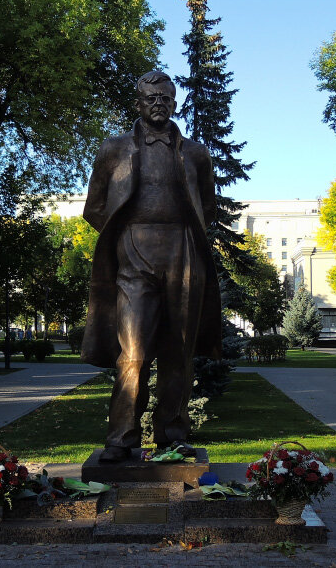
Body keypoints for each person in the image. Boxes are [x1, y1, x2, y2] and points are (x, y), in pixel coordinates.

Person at [81, 71, 221, 462]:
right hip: (134, 252)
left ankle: (173, 435)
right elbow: (95, 208)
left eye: (165, 98)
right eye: (151, 98)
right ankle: (122, 437)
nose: (158, 104)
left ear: (175, 103)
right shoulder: (113, 150)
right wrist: (129, 237)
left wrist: (178, 236)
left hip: (182, 251)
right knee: (134, 351)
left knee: (179, 350)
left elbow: (206, 208)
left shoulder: (195, 153)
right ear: (138, 103)